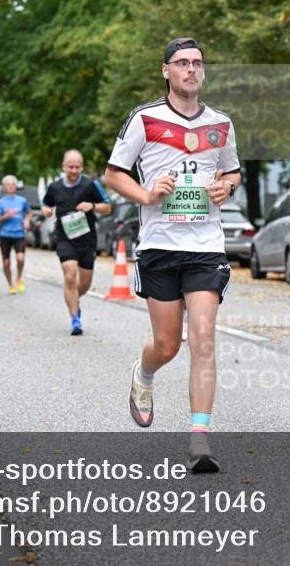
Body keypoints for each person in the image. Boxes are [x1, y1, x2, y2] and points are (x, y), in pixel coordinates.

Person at [103, 37, 240, 473]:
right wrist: (146, 194)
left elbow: (232, 170)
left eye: (197, 63)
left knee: (202, 337)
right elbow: (112, 174)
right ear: (165, 70)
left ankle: (200, 438)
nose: (191, 70)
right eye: (182, 63)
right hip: (160, 245)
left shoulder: (221, 123)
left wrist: (227, 187)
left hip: (205, 246)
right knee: (167, 345)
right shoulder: (144, 119)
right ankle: (143, 375)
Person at [42, 150, 111, 335]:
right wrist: (47, 211)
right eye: (70, 167)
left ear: (82, 166)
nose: (74, 170)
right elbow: (45, 204)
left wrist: (93, 206)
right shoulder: (54, 187)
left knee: (85, 283)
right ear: (64, 166)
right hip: (65, 239)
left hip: (87, 240)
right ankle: (75, 320)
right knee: (70, 276)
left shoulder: (90, 184)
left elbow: (108, 207)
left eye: (78, 167)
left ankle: (74, 299)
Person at [0, 175, 31, 293]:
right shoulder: (0, 203)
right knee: (6, 262)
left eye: (13, 184)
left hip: (19, 234)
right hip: (5, 234)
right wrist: (6, 216)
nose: (11, 186)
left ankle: (19, 278)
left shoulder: (22, 201)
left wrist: (27, 220)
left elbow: (29, 213)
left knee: (20, 258)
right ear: (4, 187)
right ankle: (10, 284)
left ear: (16, 186)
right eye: (8, 184)